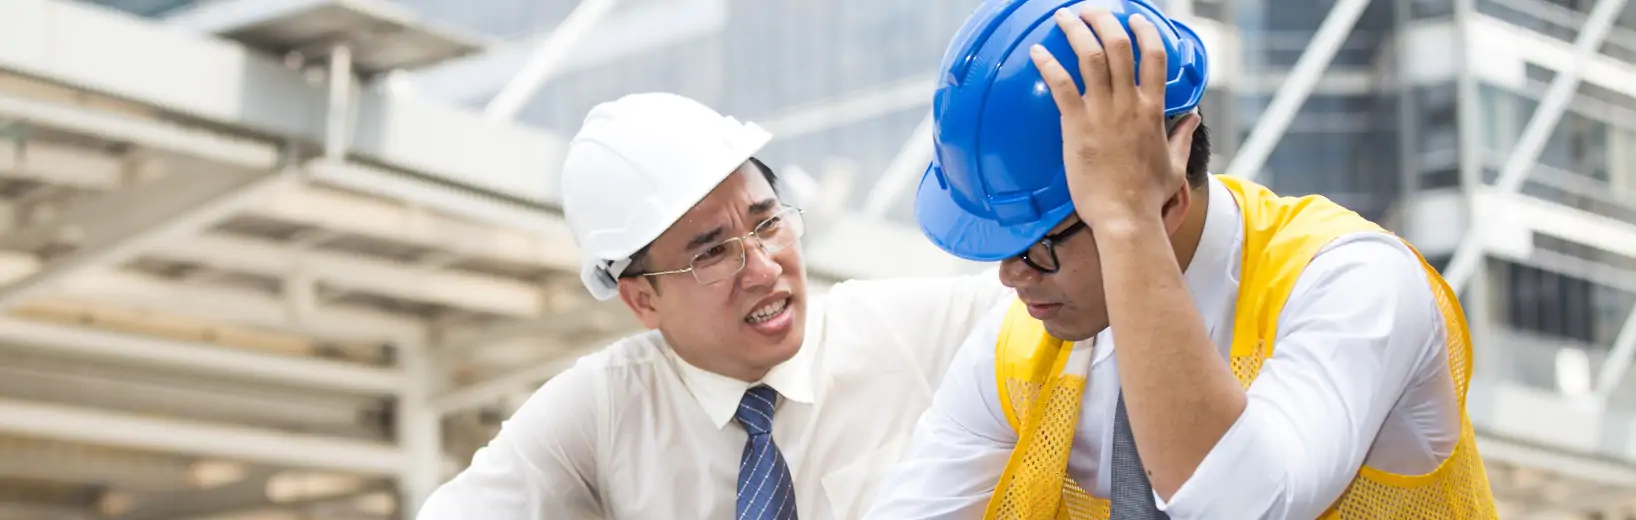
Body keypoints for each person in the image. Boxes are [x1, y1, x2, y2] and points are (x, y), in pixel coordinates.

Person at [865, 1, 1497, 519]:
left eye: (1038, 246)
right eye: (1001, 249)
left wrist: (1126, 223)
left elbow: (1243, 503)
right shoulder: (1016, 350)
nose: (1011, 276)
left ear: (1166, 200)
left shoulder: (1353, 282)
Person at [415, 92, 1015, 520]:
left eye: (768, 224)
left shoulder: (911, 333)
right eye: (712, 253)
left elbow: (1055, 301)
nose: (764, 268)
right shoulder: (607, 408)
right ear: (642, 299)